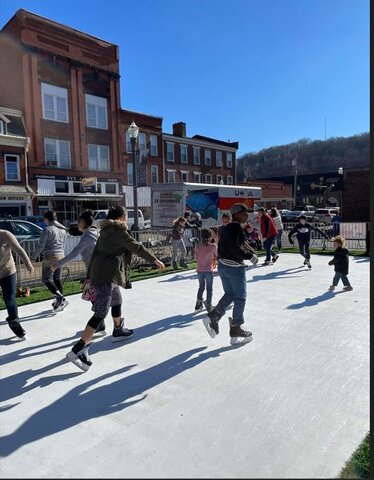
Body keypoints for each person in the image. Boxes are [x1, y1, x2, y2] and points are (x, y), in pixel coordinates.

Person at [66, 205, 165, 371]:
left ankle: (118, 329)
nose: (126, 219)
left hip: (105, 274)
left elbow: (96, 254)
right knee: (100, 313)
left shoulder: (104, 231)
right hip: (106, 275)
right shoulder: (119, 232)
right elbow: (137, 247)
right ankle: (79, 348)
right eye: (125, 216)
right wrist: (154, 260)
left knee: (117, 299)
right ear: (121, 217)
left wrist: (89, 277)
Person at [203, 203, 257, 346]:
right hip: (234, 266)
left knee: (230, 294)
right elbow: (235, 247)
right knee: (240, 297)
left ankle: (215, 315)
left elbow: (228, 245)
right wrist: (249, 255)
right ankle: (236, 327)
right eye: (245, 213)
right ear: (237, 214)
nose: (247, 215)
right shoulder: (236, 227)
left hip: (223, 265)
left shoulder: (225, 228)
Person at [52, 210, 104, 335]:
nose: (77, 224)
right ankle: (102, 324)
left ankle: (100, 325)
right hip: (97, 270)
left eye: (79, 221)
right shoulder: (94, 232)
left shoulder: (88, 236)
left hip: (95, 272)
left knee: (95, 298)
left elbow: (74, 253)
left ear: (84, 222)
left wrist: (58, 264)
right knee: (96, 298)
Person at [31, 211, 68, 312]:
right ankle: (61, 301)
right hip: (61, 255)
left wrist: (33, 257)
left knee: (46, 279)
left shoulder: (47, 230)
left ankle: (60, 297)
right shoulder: (63, 230)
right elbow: (63, 245)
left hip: (50, 257)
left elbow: (41, 245)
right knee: (57, 279)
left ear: (46, 219)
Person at [0, 229, 34, 339]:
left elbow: (19, 250)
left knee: (9, 298)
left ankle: (14, 322)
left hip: (7, 271)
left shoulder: (5, 235)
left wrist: (28, 264)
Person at [194, 228, 217, 313]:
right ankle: (209, 304)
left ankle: (199, 302)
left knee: (201, 287)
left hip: (200, 269)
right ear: (210, 237)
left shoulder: (197, 246)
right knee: (209, 288)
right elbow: (217, 255)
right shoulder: (213, 246)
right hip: (208, 270)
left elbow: (196, 258)